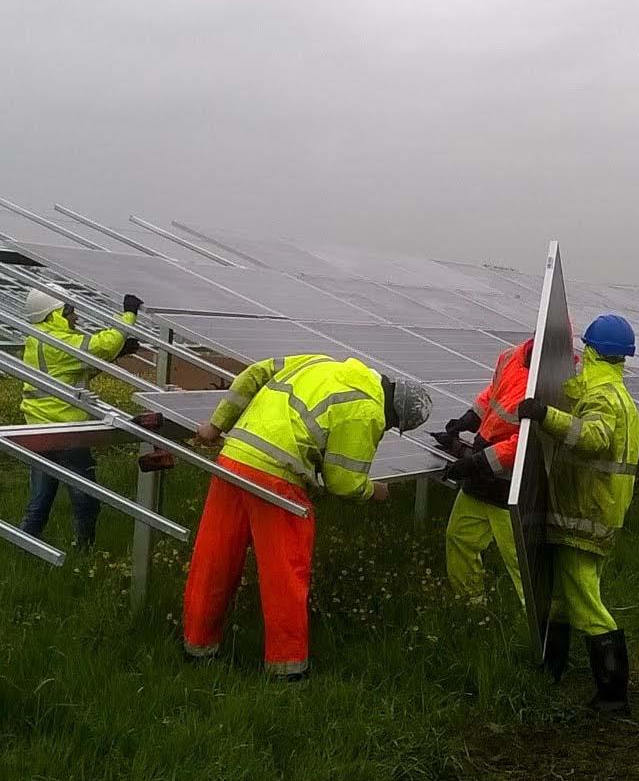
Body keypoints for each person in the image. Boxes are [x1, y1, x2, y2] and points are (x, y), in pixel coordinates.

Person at [183, 354, 432, 679]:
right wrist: (374, 491)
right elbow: (343, 482)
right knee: (284, 572)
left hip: (233, 461)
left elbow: (254, 373)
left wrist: (216, 424)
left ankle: (197, 648)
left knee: (214, 558)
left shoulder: (319, 362)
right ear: (395, 412)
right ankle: (286, 669)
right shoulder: (367, 409)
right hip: (275, 478)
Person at [517, 314, 639, 712]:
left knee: (586, 599)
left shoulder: (603, 397)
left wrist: (545, 415)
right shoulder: (617, 393)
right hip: (595, 512)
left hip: (586, 514)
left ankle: (612, 693)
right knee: (562, 596)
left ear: (590, 351)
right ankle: (552, 668)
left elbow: (593, 439)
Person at [18, 289, 143, 547]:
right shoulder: (58, 342)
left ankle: (25, 545)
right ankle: (84, 548)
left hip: (40, 429)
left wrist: (117, 355)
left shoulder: (38, 340)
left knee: (40, 497)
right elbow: (103, 344)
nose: (75, 316)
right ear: (56, 314)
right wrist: (129, 314)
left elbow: (73, 372)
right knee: (85, 497)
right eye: (69, 311)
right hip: (66, 430)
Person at [432, 338, 532, 605]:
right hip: (482, 473)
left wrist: (475, 463)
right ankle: (472, 605)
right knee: (459, 537)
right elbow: (495, 392)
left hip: (512, 486)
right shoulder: (512, 356)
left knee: (520, 559)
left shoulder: (554, 381)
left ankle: (539, 625)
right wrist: (470, 418)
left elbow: (526, 442)